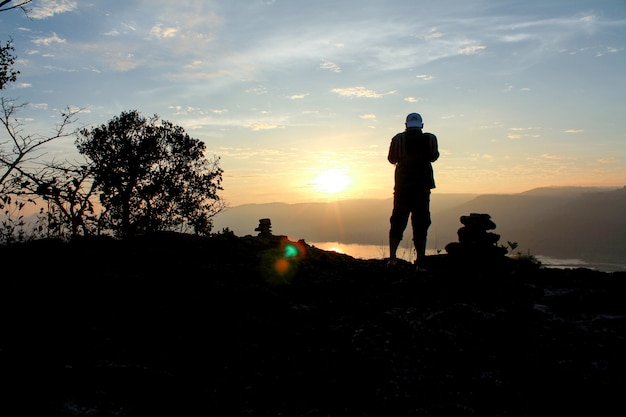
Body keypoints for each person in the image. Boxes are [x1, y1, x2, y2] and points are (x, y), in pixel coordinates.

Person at [387, 112, 439, 271]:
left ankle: (393, 258)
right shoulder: (430, 139)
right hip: (422, 188)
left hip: (402, 188)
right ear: (422, 125)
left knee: (398, 221)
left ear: (405, 125)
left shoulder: (397, 139)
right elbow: (434, 156)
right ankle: (420, 259)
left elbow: (391, 159)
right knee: (421, 223)